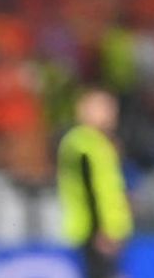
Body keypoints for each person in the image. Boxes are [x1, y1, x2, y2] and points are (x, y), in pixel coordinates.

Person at [58, 89, 133, 278]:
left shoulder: (100, 142)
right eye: (102, 107)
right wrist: (101, 230)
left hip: (108, 229)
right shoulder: (82, 144)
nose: (110, 113)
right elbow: (88, 190)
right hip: (93, 231)